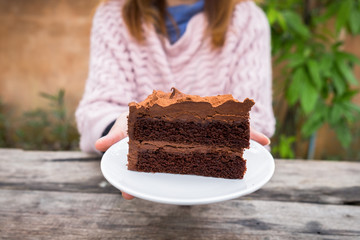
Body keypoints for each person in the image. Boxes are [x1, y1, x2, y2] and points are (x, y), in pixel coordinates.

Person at [76, 0, 275, 200]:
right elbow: (97, 109)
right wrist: (118, 130)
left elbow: (257, 120)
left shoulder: (247, 19)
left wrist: (234, 129)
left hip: (225, 201)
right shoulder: (114, 15)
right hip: (130, 199)